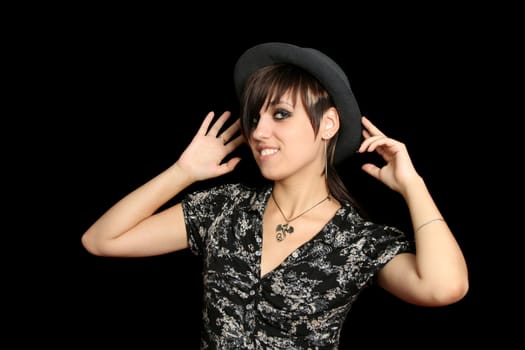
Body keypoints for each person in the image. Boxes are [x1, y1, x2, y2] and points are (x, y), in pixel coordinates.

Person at [81, 42, 469, 349]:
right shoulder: (224, 208)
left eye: (280, 114)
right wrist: (183, 172)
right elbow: (101, 240)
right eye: (254, 117)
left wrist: (413, 185)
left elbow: (444, 287)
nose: (259, 132)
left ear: (328, 123)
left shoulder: (356, 243)